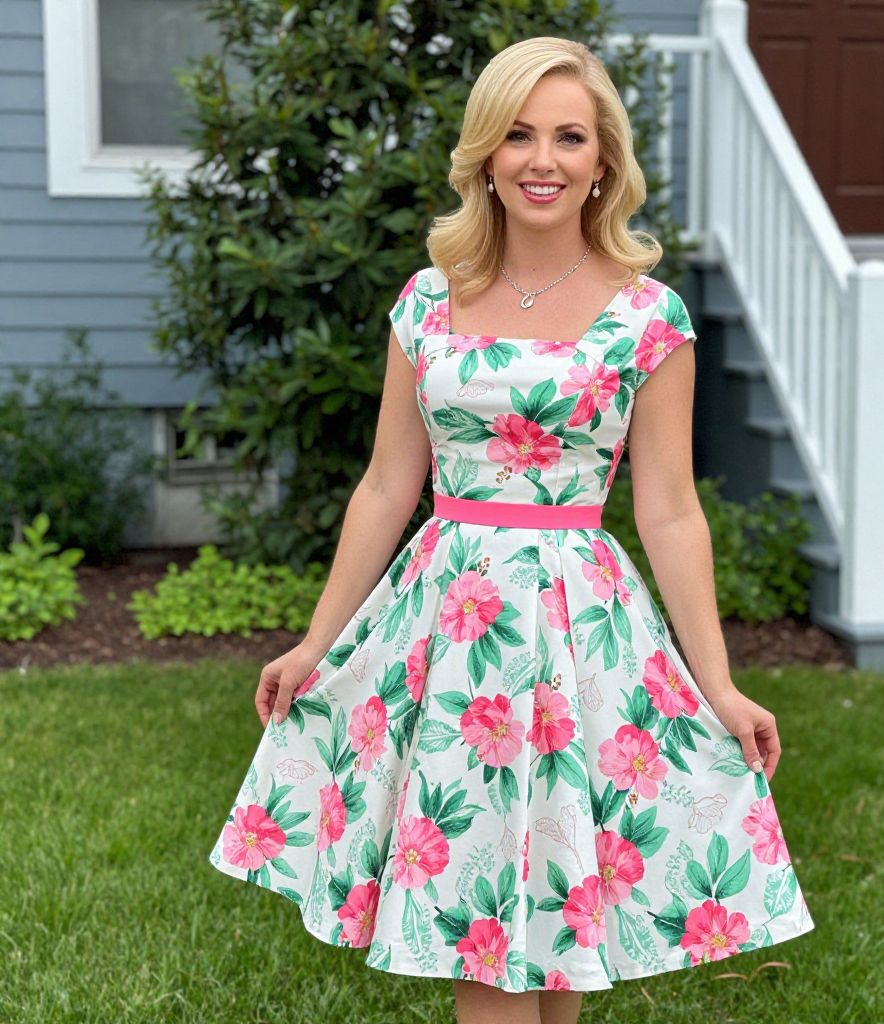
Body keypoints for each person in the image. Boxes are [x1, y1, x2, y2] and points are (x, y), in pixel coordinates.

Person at [208, 35, 815, 1024]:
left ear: (602, 162)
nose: (543, 158)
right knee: (486, 914)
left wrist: (719, 682)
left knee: (558, 917)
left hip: (577, 628)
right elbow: (384, 484)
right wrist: (318, 640)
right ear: (485, 156)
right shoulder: (427, 303)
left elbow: (667, 507)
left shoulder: (647, 316)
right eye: (519, 135)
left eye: (569, 136)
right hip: (450, 630)